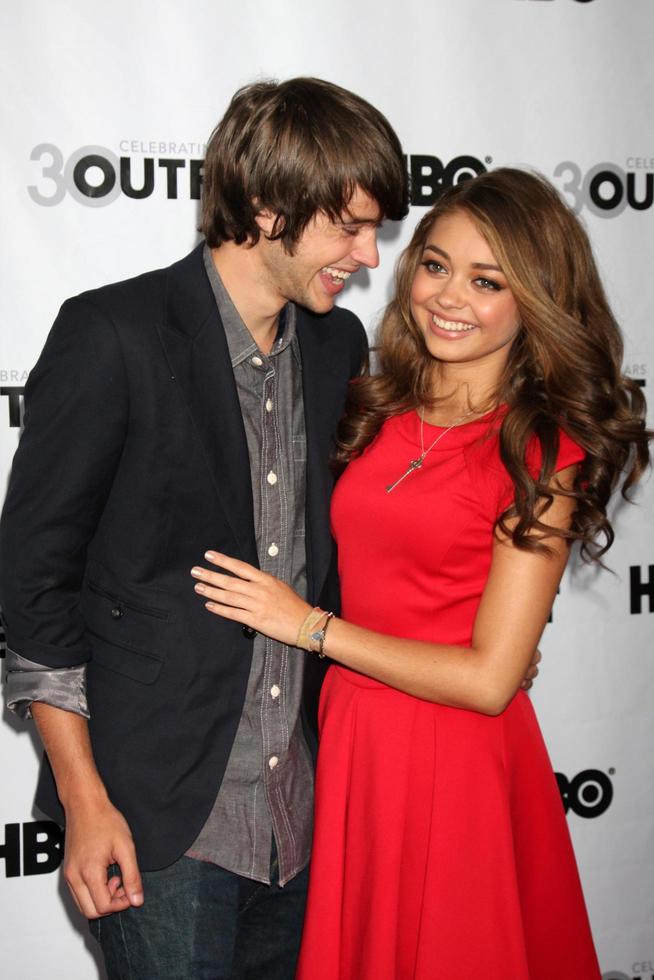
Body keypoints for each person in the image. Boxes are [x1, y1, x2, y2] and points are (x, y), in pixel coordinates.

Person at [190, 168, 651, 979]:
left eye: (488, 281)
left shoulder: (540, 449)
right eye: (437, 265)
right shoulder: (373, 404)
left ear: (534, 300)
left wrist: (308, 627)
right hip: (351, 744)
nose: (451, 298)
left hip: (452, 761)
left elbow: (488, 681)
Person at [0, 77, 410, 979]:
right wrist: (84, 799)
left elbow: (350, 546)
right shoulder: (111, 334)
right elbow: (34, 590)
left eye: (376, 229)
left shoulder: (336, 345)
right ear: (268, 205)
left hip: (301, 812)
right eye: (349, 225)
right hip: (157, 821)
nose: (370, 257)